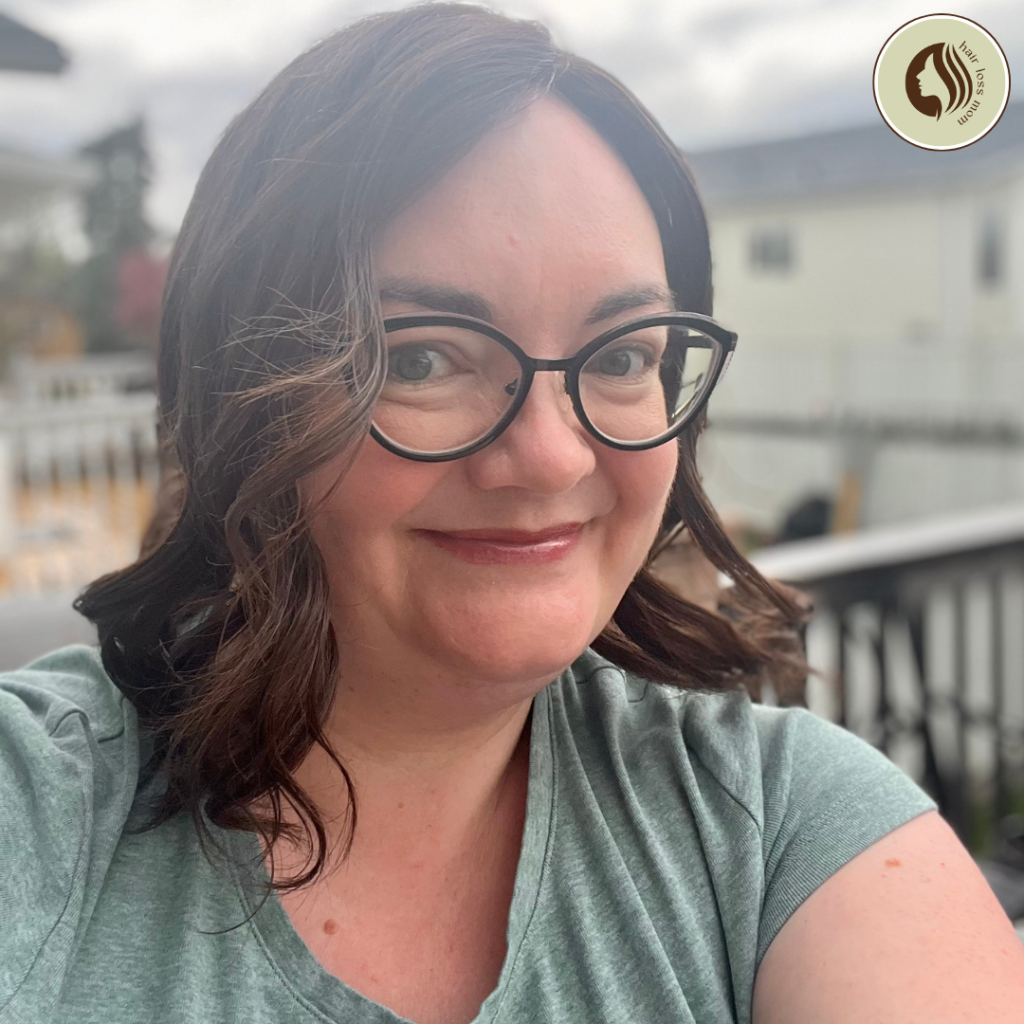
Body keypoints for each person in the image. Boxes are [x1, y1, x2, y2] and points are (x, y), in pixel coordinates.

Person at [2, 6, 1022, 1024]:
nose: (548, 455)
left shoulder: (783, 827)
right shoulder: (43, 808)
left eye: (622, 355)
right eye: (420, 358)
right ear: (241, 398)